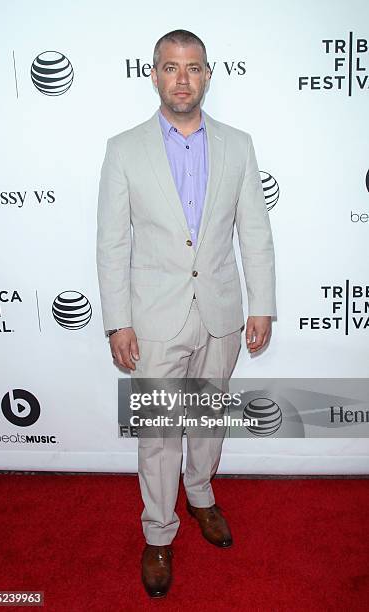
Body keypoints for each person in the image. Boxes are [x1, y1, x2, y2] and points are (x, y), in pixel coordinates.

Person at [96, 29, 276, 598]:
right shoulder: (123, 149)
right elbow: (112, 244)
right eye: (171, 67)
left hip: (221, 311)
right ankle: (157, 530)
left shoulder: (239, 145)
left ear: (207, 74)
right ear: (153, 74)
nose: (182, 78)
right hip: (152, 318)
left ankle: (200, 495)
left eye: (193, 67)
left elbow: (254, 232)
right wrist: (117, 319)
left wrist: (263, 303)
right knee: (157, 432)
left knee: (207, 420)